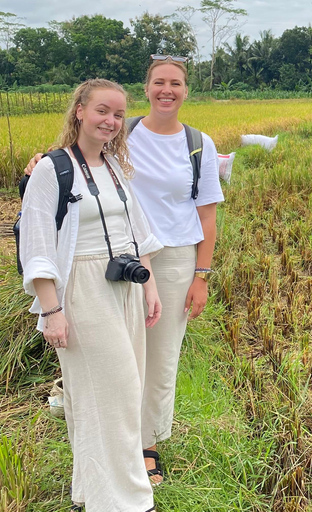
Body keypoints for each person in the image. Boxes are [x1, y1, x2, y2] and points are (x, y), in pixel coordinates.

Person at [25, 55, 225, 487]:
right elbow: (75, 164)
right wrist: (42, 164)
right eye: (158, 82)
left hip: (168, 258)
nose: (166, 90)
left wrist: (201, 274)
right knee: (117, 358)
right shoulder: (123, 133)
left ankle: (146, 444)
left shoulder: (198, 143)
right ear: (147, 87)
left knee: (159, 356)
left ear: (186, 91)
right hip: (102, 258)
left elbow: (206, 213)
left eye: (175, 83)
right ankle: (106, 449)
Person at [19, 79, 163, 511]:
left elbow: (138, 232)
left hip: (124, 288)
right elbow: (37, 243)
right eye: (102, 110)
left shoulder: (116, 166)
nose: (111, 121)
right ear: (79, 111)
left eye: (119, 115)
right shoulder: (52, 168)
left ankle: (95, 493)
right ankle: (132, 500)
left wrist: (150, 286)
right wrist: (52, 310)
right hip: (81, 289)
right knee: (112, 395)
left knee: (112, 394)